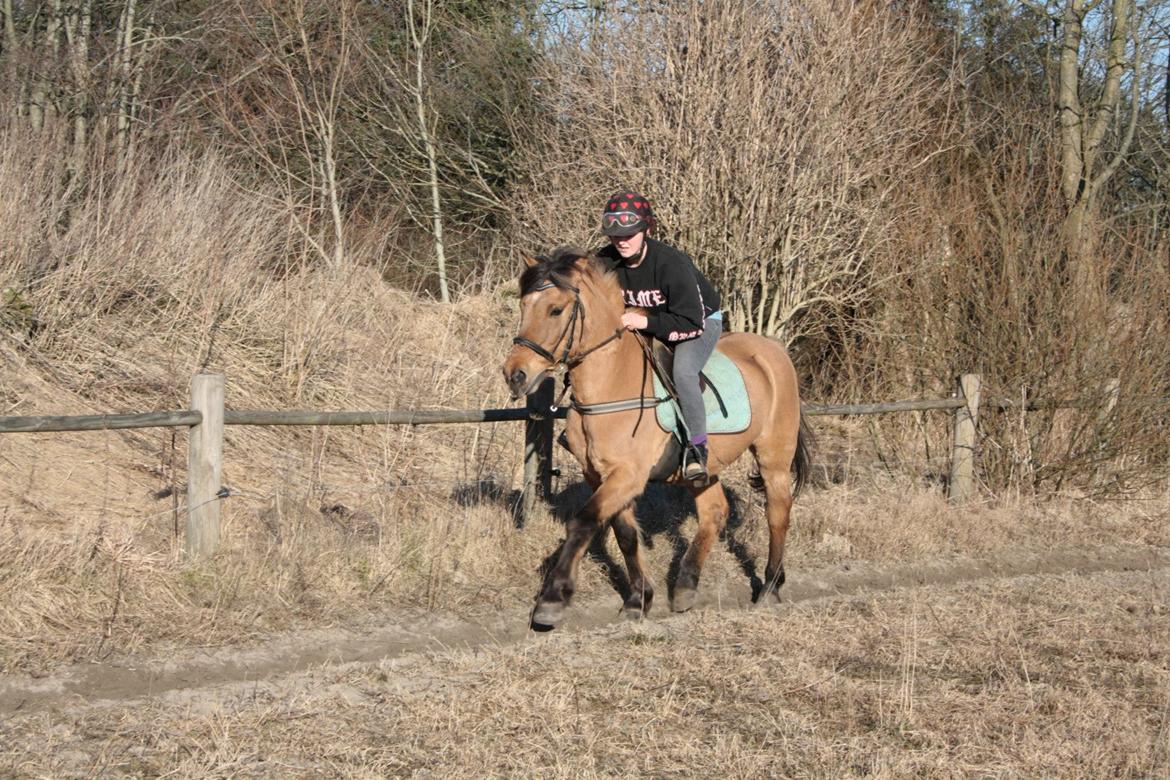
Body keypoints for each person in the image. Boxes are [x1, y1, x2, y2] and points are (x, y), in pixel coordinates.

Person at [595, 190, 723, 481]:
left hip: (700, 320)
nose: (622, 241)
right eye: (615, 236)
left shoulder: (670, 263)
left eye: (629, 234)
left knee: (683, 371)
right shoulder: (604, 261)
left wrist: (644, 322)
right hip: (649, 320)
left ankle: (697, 448)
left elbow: (691, 320)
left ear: (647, 230)